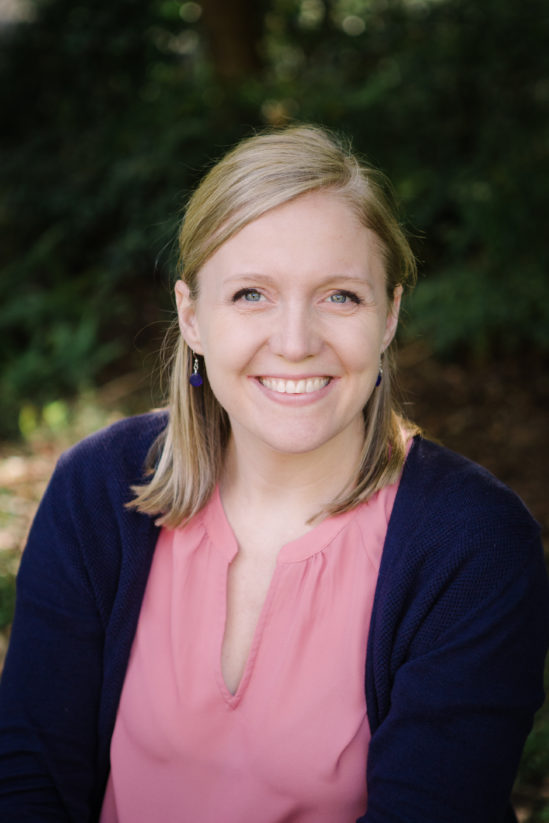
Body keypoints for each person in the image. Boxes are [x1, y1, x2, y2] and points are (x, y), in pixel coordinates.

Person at [0, 125, 547, 823]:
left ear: (388, 316)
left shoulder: (472, 544)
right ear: (191, 315)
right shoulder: (98, 490)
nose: (293, 342)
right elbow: (28, 782)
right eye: (251, 294)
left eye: (339, 296)